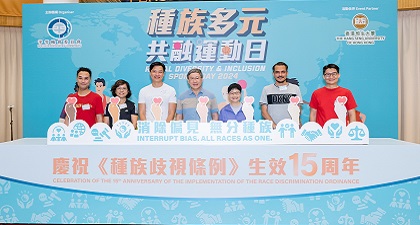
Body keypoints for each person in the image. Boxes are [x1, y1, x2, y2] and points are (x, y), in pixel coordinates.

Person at [259, 62, 302, 129]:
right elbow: (264, 111)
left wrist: (295, 124)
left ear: (287, 73)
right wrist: (274, 125)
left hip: (292, 129)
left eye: (283, 72)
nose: (280, 75)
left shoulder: (295, 88)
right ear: (273, 74)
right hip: (272, 129)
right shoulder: (266, 89)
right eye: (277, 72)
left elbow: (298, 109)